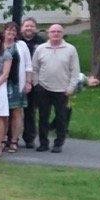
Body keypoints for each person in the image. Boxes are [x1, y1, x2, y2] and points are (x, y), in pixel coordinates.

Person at [31, 23, 81, 153]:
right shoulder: (41, 49)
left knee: (61, 118)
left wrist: (70, 88)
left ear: (62, 33)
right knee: (43, 117)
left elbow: (75, 71)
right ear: (48, 34)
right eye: (53, 32)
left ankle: (58, 143)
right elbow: (34, 68)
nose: (56, 34)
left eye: (59, 32)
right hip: (43, 88)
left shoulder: (70, 49)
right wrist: (36, 84)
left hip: (62, 90)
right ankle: (43, 143)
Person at [2, 22, 33, 153]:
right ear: (4, 32)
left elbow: (28, 66)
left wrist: (28, 82)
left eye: (14, 31)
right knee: (1, 114)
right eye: (9, 31)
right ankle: (2, 140)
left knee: (17, 113)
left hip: (16, 84)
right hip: (1, 84)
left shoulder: (21, 46)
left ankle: (14, 140)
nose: (11, 33)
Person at [19, 18, 45, 149]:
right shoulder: (17, 41)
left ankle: (29, 138)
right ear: (22, 27)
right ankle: (11, 137)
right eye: (26, 26)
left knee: (30, 111)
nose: (28, 28)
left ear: (35, 28)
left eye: (31, 26)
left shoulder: (41, 42)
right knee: (14, 111)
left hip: (34, 81)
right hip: (17, 79)